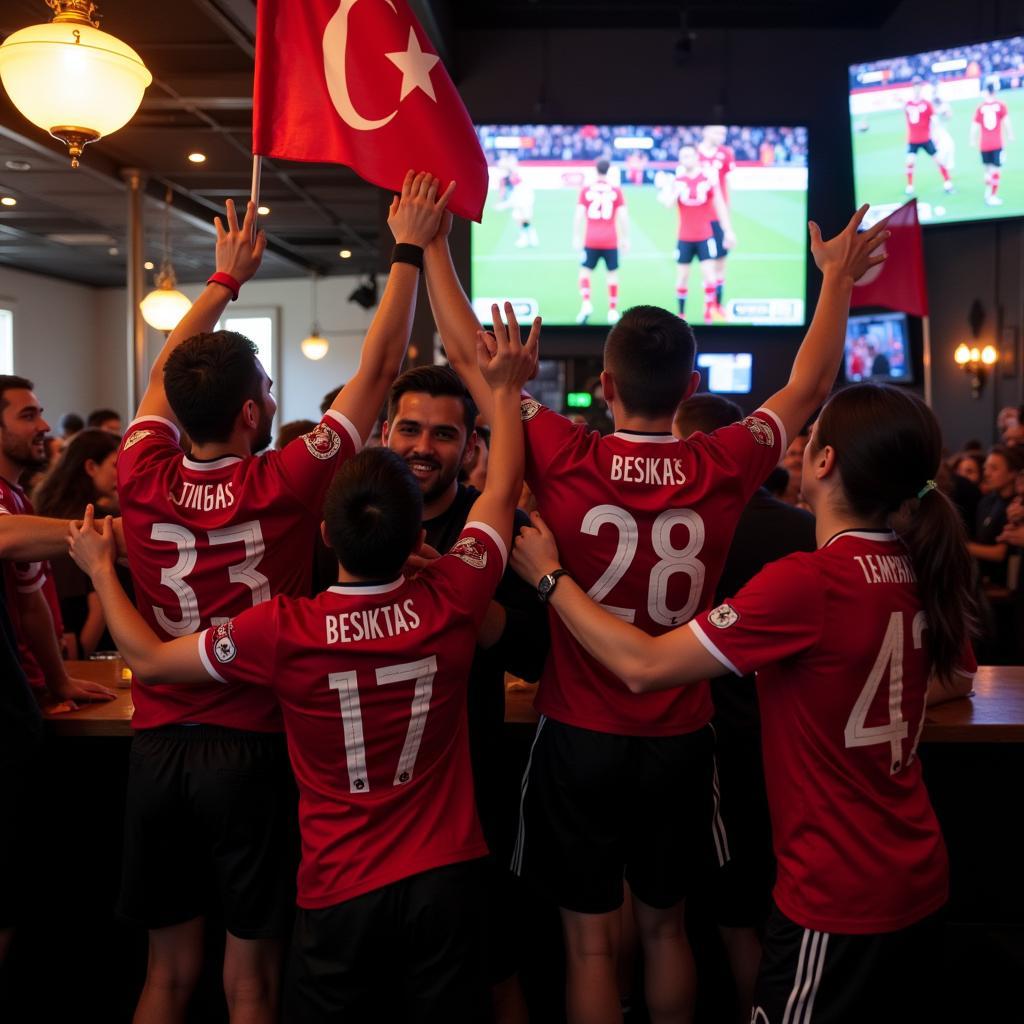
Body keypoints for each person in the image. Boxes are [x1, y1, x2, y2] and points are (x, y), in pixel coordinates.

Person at [426, 202, 889, 1024]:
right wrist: (839, 280)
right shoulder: (724, 457)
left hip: (579, 730)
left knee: (591, 944)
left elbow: (471, 359)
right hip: (680, 734)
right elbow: (812, 383)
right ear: (693, 388)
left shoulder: (565, 448)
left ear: (603, 387)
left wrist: (430, 245)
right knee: (668, 928)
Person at [68, 306, 539, 1023]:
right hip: (442, 869)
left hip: (332, 876)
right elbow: (500, 493)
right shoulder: (454, 596)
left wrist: (102, 571)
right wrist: (506, 393)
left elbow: (148, 658)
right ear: (420, 535)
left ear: (324, 531)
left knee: (171, 976)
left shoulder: (285, 629)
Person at [512, 383, 977, 1024]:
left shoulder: (809, 581)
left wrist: (548, 576)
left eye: (809, 437)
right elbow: (957, 674)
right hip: (917, 871)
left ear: (822, 461)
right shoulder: (916, 565)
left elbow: (643, 666)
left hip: (834, 890)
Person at [112, 172, 452, 1024]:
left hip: (157, 746)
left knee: (163, 976)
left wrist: (223, 282)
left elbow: (166, 373)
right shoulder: (289, 480)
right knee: (251, 978)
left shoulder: (137, 471)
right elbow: (376, 369)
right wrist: (406, 243)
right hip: (254, 747)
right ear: (262, 412)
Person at [382, 365, 550, 1022]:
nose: (424, 446)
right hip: (361, 798)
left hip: (470, 789)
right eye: (410, 428)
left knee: (494, 966)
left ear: (472, 446)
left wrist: (456, 596)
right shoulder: (350, 516)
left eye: (444, 434)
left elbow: (534, 653)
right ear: (385, 430)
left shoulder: (498, 526)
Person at [673, 393, 816, 1022]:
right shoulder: (808, 533)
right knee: (770, 917)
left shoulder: (682, 532)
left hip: (710, 755)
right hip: (796, 759)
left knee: (720, 926)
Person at [0, 376, 114, 702]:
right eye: (28, 416)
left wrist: (58, 678)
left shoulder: (18, 498)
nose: (44, 425)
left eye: (40, 413)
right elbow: (4, 537)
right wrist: (112, 532)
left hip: (28, 686)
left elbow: (31, 604)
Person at [34, 428, 122, 657]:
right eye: (115, 465)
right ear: (91, 467)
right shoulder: (93, 520)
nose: (121, 472)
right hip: (92, 647)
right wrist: (81, 656)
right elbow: (98, 601)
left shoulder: (46, 510)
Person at [659, 144, 735, 325]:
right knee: (683, 277)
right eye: (683, 156)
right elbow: (668, 204)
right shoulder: (677, 181)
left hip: (705, 235)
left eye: (689, 156)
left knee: (709, 276)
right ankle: (681, 315)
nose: (686, 159)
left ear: (696, 157)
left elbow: (720, 205)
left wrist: (727, 230)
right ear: (680, 160)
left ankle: (708, 314)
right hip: (684, 237)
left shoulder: (707, 180)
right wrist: (671, 189)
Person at [574, 158, 629, 325]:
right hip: (610, 240)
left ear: (595, 170)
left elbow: (579, 214)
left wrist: (576, 236)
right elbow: (623, 216)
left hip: (591, 239)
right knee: (612, 275)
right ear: (609, 170)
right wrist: (626, 238)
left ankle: (586, 304)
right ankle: (612, 311)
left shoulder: (586, 190)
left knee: (584, 272)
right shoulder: (616, 191)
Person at [696, 125, 736, 316]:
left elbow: (727, 184)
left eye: (723, 133)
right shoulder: (693, 154)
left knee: (720, 263)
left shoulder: (726, 154)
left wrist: (727, 220)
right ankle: (707, 306)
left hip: (719, 218)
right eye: (717, 132)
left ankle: (717, 305)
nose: (721, 136)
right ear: (705, 132)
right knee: (706, 265)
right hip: (699, 218)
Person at [904, 79, 954, 196]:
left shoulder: (927, 104)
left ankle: (947, 182)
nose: (917, 90)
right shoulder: (908, 104)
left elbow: (934, 120)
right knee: (910, 162)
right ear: (913, 89)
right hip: (913, 140)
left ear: (921, 89)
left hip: (926, 139)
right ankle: (910, 186)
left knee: (939, 160)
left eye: (919, 87)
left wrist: (935, 136)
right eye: (915, 87)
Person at [970, 82, 1013, 206]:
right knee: (996, 171)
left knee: (987, 170)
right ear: (994, 92)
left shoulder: (980, 107)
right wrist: (1010, 135)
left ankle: (987, 191)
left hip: (984, 145)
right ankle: (991, 197)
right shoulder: (1000, 105)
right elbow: (1006, 122)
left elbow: (974, 126)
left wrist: (972, 140)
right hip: (996, 144)